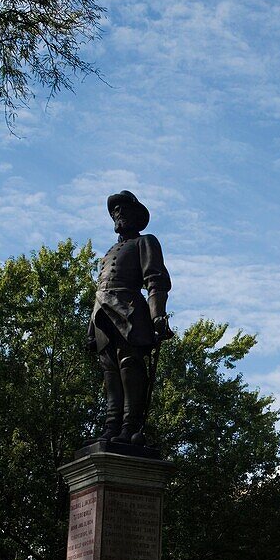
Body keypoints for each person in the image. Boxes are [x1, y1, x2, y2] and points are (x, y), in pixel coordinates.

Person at [87, 190, 172, 444]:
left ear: (136, 216)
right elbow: (101, 288)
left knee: (129, 367)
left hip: (129, 311)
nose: (118, 214)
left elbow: (155, 281)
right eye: (115, 211)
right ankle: (111, 425)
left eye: (123, 210)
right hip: (102, 313)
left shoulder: (145, 242)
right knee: (109, 371)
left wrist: (158, 316)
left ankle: (128, 425)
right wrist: (91, 329)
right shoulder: (110, 251)